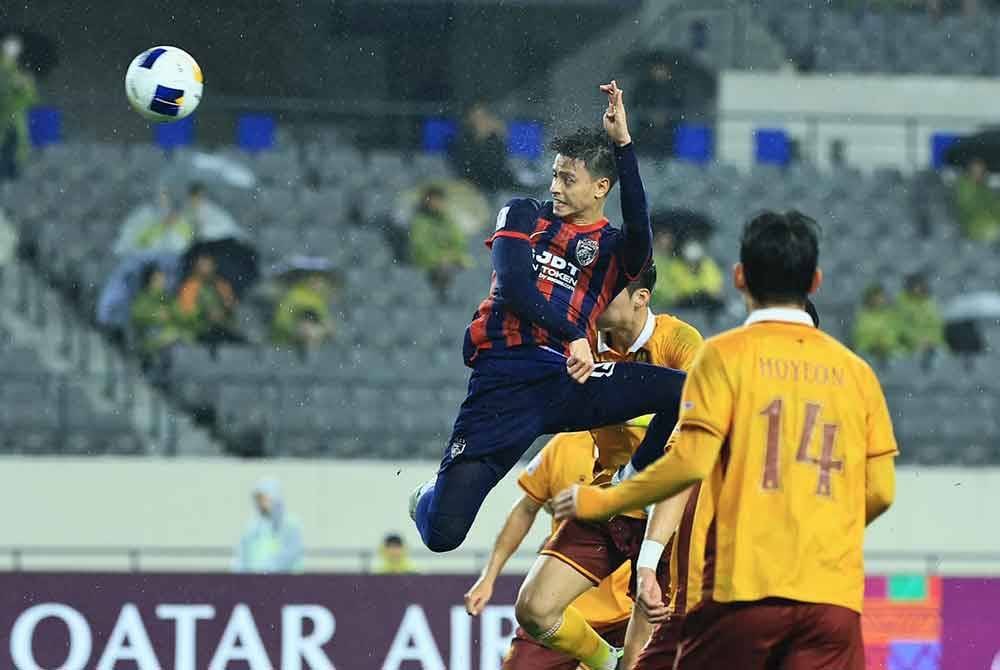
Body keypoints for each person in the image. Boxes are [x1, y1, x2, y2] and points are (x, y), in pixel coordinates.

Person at [554, 210, 898, 670]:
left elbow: (686, 464)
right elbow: (880, 491)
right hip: (831, 598)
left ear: (740, 278)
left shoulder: (721, 357)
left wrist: (606, 504)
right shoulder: (858, 375)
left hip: (743, 592)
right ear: (814, 280)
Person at [410, 83, 688, 573]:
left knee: (684, 392)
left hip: (567, 380)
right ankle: (424, 500)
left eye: (568, 179)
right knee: (443, 535)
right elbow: (516, 284)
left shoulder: (614, 249)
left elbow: (642, 232)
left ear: (601, 188)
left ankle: (630, 482)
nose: (555, 187)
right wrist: (576, 332)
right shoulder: (521, 214)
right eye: (555, 175)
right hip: (504, 382)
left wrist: (623, 146)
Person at [509, 262, 703, 670]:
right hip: (610, 503)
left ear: (640, 299)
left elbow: (691, 438)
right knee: (534, 608)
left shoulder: (681, 342)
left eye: (608, 291)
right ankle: (606, 661)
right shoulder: (583, 343)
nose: (594, 297)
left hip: (669, 514)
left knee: (647, 658)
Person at [408, 184, 472, 298]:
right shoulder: (420, 221)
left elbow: (459, 241)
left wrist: (452, 255)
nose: (437, 203)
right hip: (428, 263)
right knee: (444, 270)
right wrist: (440, 257)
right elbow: (420, 246)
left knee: (469, 268)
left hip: (450, 260)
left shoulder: (448, 220)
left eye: (439, 200)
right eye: (433, 200)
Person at [234, 478, 304, 573]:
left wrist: (266, 570)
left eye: (264, 499)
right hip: (253, 583)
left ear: (275, 499)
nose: (260, 504)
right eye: (258, 500)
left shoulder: (291, 526)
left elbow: (290, 556)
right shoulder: (252, 527)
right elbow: (241, 557)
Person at [449, 102, 517, 193]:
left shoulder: (494, 139)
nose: (481, 120)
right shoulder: (462, 141)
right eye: (476, 116)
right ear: (469, 119)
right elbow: (466, 168)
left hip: (498, 185)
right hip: (474, 187)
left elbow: (500, 166)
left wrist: (499, 136)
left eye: (483, 116)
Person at [176, 254, 241, 343]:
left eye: (208, 265)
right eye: (202, 265)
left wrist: (225, 311)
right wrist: (205, 314)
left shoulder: (221, 284)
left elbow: (232, 304)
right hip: (199, 329)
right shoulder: (190, 286)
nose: (205, 268)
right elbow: (186, 310)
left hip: (223, 326)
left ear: (213, 266)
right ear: (196, 267)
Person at [0, 34, 38, 181]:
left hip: (15, 119)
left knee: (16, 147)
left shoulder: (19, 73)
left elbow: (31, 97)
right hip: (6, 118)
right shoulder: (9, 72)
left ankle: (11, 175)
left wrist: (23, 86)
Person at [129, 264, 187, 360]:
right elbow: (137, 314)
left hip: (171, 338)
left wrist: (172, 313)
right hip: (152, 339)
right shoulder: (143, 298)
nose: (163, 281)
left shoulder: (166, 297)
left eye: (163, 278)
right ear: (150, 281)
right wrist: (156, 315)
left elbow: (179, 312)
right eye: (158, 279)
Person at [114, 189, 195, 256]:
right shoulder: (146, 216)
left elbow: (187, 245)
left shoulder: (183, 225)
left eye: (165, 199)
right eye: (160, 199)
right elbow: (135, 242)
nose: (162, 202)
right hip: (146, 256)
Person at [656, 237, 724, 313]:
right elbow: (674, 292)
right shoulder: (675, 267)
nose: (692, 265)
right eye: (690, 262)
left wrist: (702, 293)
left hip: (705, 301)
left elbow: (715, 288)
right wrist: (692, 294)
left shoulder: (708, 265)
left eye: (695, 262)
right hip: (683, 304)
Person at [271, 273, 335, 349]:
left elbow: (327, 324)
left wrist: (322, 330)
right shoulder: (294, 297)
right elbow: (281, 322)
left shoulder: (319, 301)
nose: (319, 284)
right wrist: (297, 331)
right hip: (282, 346)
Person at [895, 272, 944, 358]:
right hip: (908, 346)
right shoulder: (901, 303)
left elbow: (936, 325)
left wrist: (931, 340)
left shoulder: (930, 303)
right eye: (916, 286)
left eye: (922, 285)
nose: (919, 289)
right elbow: (901, 327)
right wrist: (918, 340)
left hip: (931, 344)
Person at [852, 282, 904, 362]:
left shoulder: (890, 315)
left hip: (888, 351)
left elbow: (895, 334)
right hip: (868, 352)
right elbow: (859, 337)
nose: (879, 300)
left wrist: (885, 343)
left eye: (881, 297)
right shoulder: (862, 316)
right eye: (876, 297)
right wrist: (874, 343)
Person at [953, 157, 1000, 243]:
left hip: (987, 223)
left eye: (981, 171)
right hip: (975, 227)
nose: (979, 174)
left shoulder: (983, 188)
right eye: (976, 171)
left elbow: (994, 206)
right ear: (969, 172)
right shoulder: (965, 188)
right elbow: (970, 208)